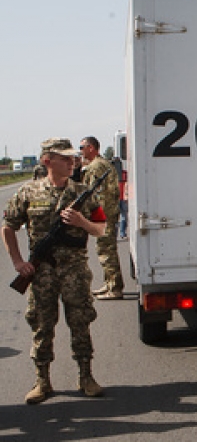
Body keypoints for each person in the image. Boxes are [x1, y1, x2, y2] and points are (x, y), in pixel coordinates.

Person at [1, 138, 107, 404]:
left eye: (73, 158)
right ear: (47, 160)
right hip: (42, 272)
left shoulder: (82, 191)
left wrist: (82, 222)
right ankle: (42, 381)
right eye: (65, 158)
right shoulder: (28, 192)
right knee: (42, 325)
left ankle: (86, 377)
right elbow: (8, 226)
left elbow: (102, 229)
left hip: (75, 271)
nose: (72, 162)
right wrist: (17, 262)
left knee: (80, 322)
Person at [80, 136, 124, 299]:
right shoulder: (103, 163)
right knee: (106, 248)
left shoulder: (95, 166)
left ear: (91, 147)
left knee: (106, 250)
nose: (81, 151)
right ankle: (109, 283)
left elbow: (89, 193)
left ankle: (115, 287)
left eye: (82, 147)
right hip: (108, 212)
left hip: (103, 214)